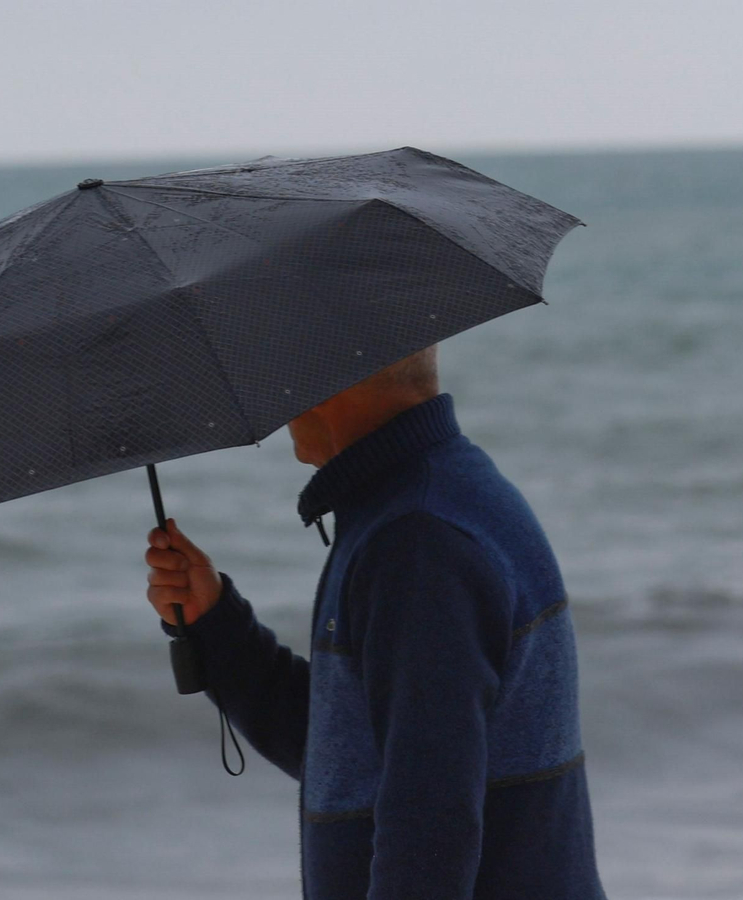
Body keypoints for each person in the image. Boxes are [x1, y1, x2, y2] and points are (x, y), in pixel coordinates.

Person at [143, 345, 609, 899]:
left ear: (325, 373)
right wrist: (217, 626)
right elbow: (359, 757)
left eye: (273, 364)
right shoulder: (442, 494)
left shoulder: (417, 543)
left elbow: (430, 819)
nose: (266, 394)